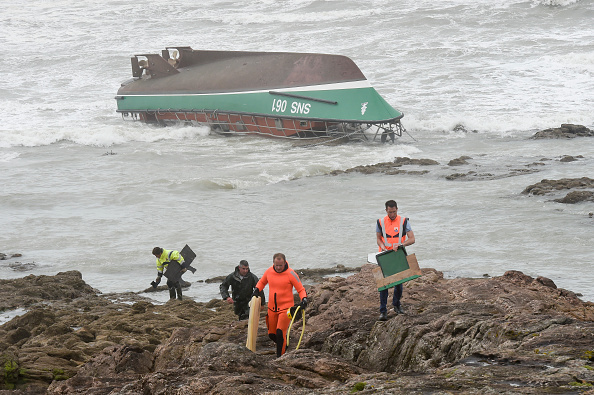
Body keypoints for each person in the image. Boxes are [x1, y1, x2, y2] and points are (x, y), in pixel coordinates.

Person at [253, 253, 308, 357]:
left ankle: (280, 358)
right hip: (271, 309)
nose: (278, 268)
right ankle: (284, 345)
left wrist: (304, 299)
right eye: (276, 265)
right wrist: (256, 290)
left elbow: (300, 289)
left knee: (279, 333)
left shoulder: (291, 273)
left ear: (285, 263)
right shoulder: (269, 271)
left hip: (286, 309)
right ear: (273, 263)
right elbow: (262, 282)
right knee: (271, 335)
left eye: (280, 265)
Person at [376, 200, 415, 321]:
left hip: (398, 255)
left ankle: (397, 305)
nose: (392, 214)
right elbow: (378, 239)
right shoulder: (380, 222)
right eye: (389, 212)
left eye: (394, 212)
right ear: (386, 210)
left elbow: (412, 239)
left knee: (398, 284)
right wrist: (382, 247)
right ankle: (383, 312)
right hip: (384, 255)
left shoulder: (404, 221)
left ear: (397, 209)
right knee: (384, 285)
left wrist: (401, 244)